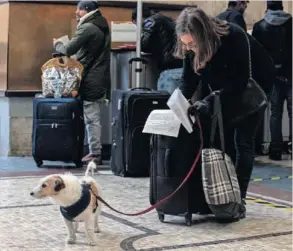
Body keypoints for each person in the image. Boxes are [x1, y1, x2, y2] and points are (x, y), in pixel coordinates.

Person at [174, 7, 275, 216]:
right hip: (223, 91)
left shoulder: (233, 36)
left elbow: (241, 81)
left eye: (192, 44)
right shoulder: (190, 46)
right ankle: (222, 196)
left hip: (253, 89)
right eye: (185, 45)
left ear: (203, 36)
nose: (189, 48)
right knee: (222, 140)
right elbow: (188, 79)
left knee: (243, 142)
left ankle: (238, 200)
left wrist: (209, 100)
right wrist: (176, 104)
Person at [53, 0, 111, 164]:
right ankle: (94, 151)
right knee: (93, 116)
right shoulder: (101, 24)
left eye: (78, 10)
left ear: (86, 10)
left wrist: (58, 44)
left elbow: (67, 49)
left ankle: (95, 153)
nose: (76, 13)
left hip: (92, 77)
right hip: (98, 75)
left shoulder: (88, 27)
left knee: (91, 117)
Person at [252, 0, 292, 160]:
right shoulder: (292, 23)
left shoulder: (259, 26)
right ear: (282, 6)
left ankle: (275, 150)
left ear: (267, 7)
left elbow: (256, 53)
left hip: (271, 77)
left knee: (275, 113)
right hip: (291, 73)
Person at [132, 7, 183, 94]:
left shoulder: (151, 21)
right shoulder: (165, 19)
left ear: (136, 19)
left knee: (164, 103)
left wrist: (139, 38)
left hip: (169, 69)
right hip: (180, 67)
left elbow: (144, 44)